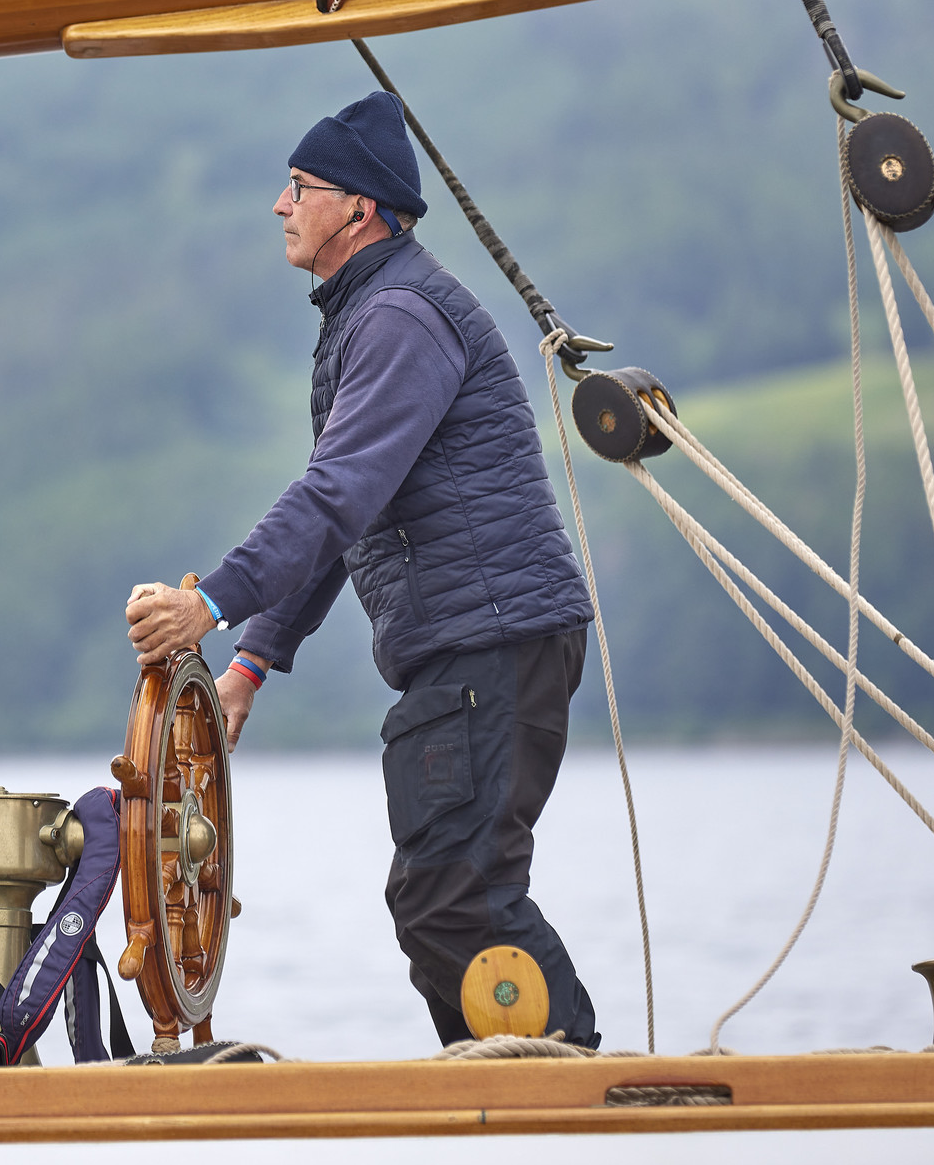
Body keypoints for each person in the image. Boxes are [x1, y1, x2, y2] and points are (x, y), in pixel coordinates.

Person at [126, 90, 600, 1046]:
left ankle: (570, 1088)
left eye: (298, 186)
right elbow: (349, 508)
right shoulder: (375, 312)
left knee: (453, 897)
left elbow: (338, 495)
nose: (279, 205)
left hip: (489, 646)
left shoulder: (398, 317)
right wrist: (252, 664)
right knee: (446, 897)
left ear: (359, 208)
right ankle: (528, 1085)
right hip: (483, 648)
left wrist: (211, 603)